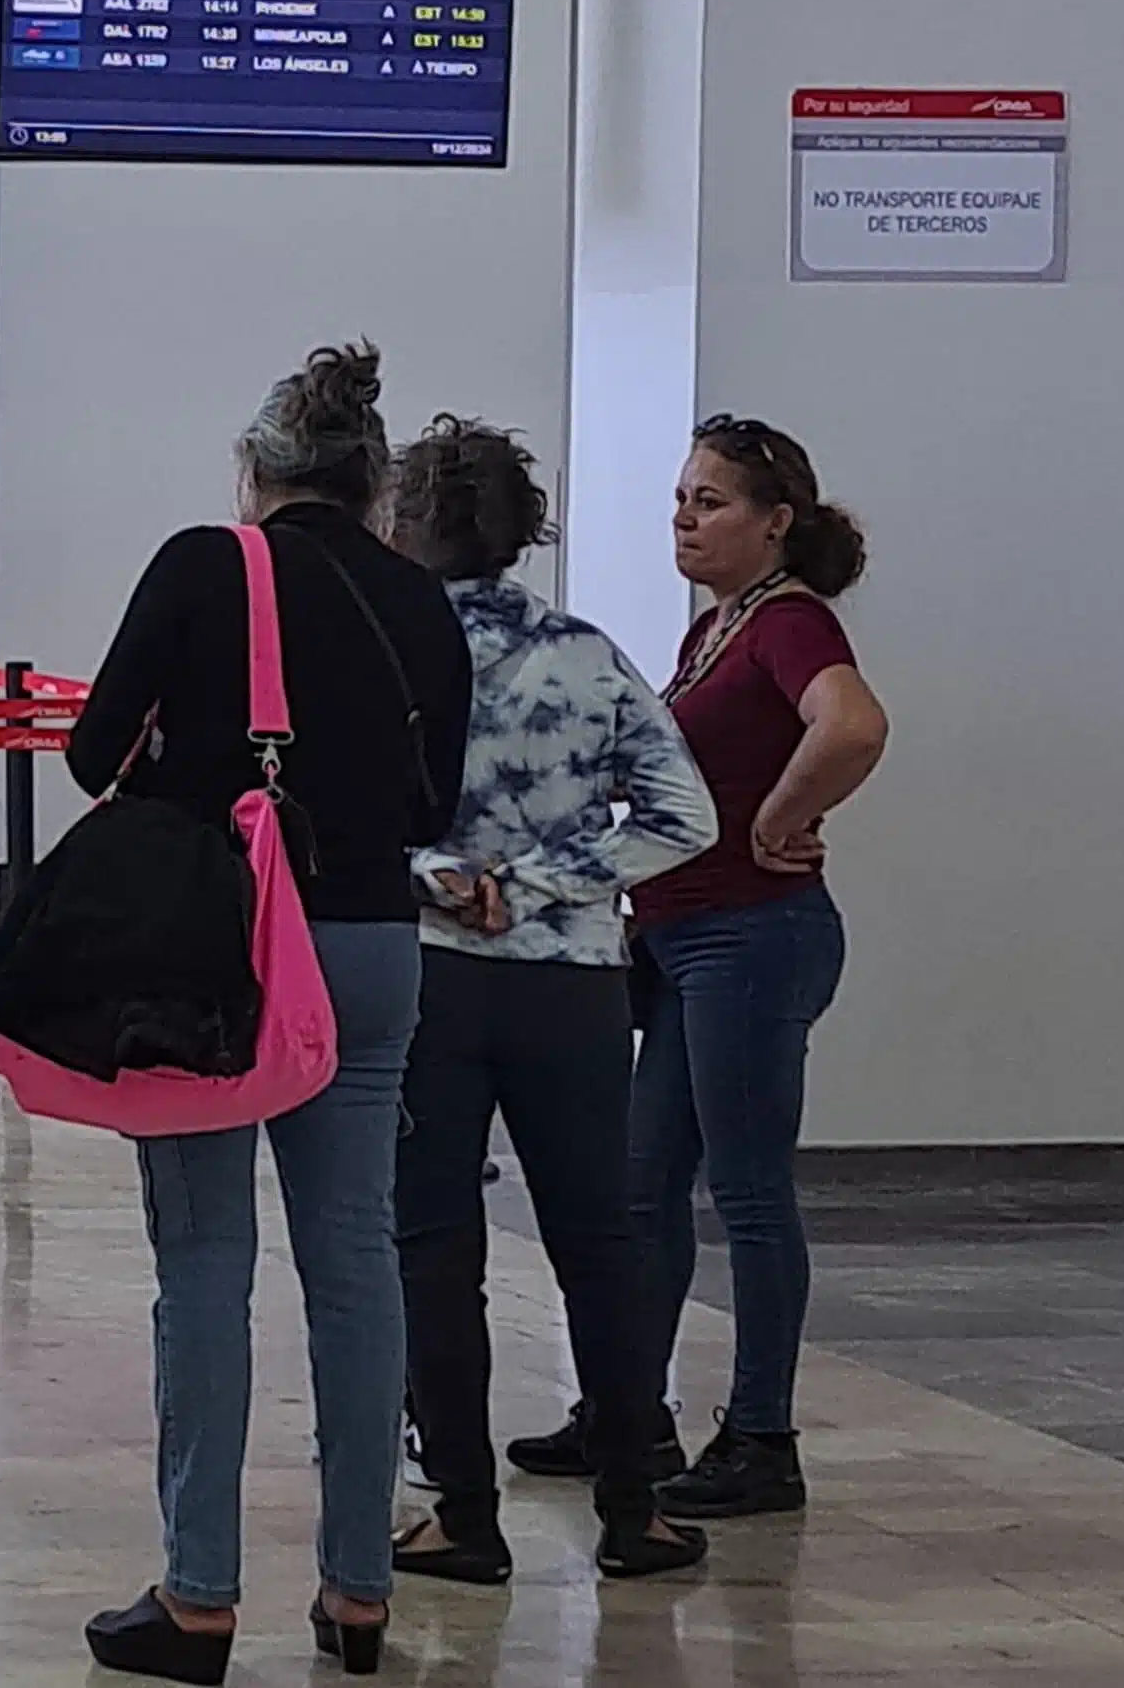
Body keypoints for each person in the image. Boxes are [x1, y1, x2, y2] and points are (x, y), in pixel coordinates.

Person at [66, 345, 466, 1684]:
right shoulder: (421, 600)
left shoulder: (205, 563)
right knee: (355, 1259)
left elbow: (89, 749)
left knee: (205, 1261)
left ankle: (198, 1596)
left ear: (252, 471)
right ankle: (360, 1591)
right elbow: (432, 800)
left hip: (221, 956)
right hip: (367, 941)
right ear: (373, 490)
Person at [380, 419, 716, 1586]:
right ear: (526, 530)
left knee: (431, 1242)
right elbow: (684, 816)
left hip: (424, 976)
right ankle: (634, 1505)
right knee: (597, 1240)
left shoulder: (382, 653)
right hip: (571, 983)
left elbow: (336, 818)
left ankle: (461, 1513)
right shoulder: (587, 654)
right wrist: (533, 886)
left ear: (400, 521)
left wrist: (446, 880)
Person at [593, 415, 887, 1522]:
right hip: (679, 937)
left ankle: (761, 1431)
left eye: (709, 500)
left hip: (751, 936)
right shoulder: (713, 630)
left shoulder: (787, 622)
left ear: (775, 524)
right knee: (643, 1182)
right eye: (680, 495)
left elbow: (851, 724)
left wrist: (782, 811)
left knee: (747, 1189)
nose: (684, 514)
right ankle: (628, 1408)